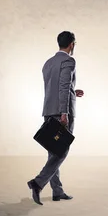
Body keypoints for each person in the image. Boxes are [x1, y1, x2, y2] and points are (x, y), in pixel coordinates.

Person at [27, 31, 84, 205]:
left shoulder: (48, 63)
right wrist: (64, 113)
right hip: (62, 112)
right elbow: (63, 86)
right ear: (72, 44)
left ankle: (57, 191)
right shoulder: (69, 61)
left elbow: (57, 86)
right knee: (61, 150)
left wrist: (74, 91)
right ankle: (38, 182)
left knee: (53, 151)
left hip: (48, 111)